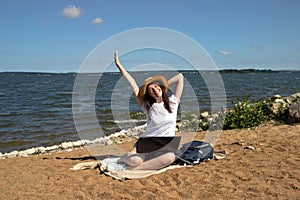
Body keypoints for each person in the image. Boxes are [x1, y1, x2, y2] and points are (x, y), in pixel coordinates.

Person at [114, 51, 184, 170]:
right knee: (135, 160)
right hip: (147, 143)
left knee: (170, 158)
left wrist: (163, 87)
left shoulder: (173, 102)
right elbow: (133, 85)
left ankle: (134, 171)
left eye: (156, 87)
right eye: (151, 89)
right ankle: (123, 159)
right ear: (149, 94)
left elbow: (180, 77)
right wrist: (119, 65)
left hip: (164, 146)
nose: (155, 90)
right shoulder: (147, 107)